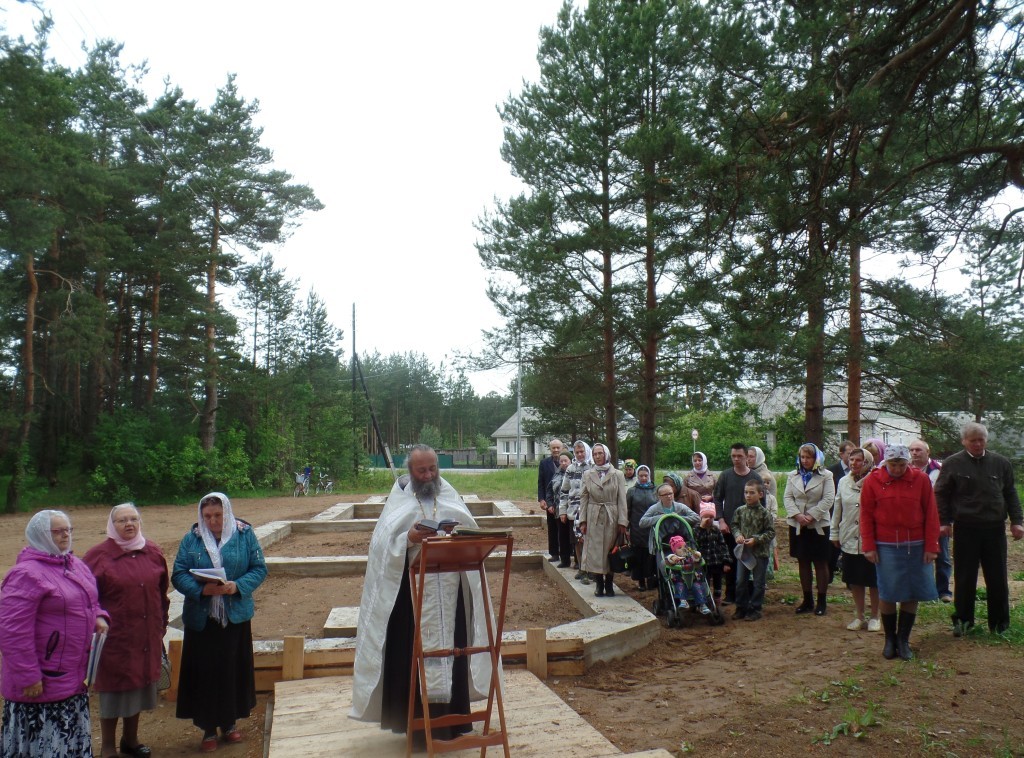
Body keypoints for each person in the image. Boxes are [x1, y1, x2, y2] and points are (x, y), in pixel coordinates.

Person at [351, 445, 497, 742]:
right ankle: (416, 730)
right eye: (422, 470)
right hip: (411, 595)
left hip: (448, 591)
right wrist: (409, 537)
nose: (429, 475)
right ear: (410, 470)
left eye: (432, 469)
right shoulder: (399, 499)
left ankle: (452, 724)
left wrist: (456, 537)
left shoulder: (449, 495)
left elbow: (470, 532)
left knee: (451, 650)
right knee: (410, 653)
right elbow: (381, 547)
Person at [0, 510, 109, 757]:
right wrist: (28, 676)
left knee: (69, 741)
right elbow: (12, 630)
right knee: (44, 746)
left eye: (68, 529)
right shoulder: (25, 573)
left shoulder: (75, 564)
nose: (65, 535)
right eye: (57, 531)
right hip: (41, 682)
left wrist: (99, 616)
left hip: (73, 674)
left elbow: (89, 602)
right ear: (40, 535)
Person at [172, 492, 267, 752]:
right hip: (202, 619)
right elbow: (178, 574)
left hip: (234, 615)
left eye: (217, 515)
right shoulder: (192, 539)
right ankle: (207, 729)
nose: (212, 521)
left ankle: (230, 723)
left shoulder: (244, 534)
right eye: (207, 516)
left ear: (226, 512)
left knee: (231, 669)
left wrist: (237, 586)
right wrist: (202, 590)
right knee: (205, 672)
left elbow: (259, 568)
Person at [84, 504, 170, 758]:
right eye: (122, 520)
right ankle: (108, 745)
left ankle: (130, 740)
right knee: (113, 690)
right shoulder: (98, 557)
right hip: (115, 638)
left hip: (146, 634)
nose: (129, 524)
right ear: (112, 525)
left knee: (139, 686)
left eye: (133, 519)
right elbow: (86, 597)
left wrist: (161, 625)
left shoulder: (152, 551)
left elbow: (161, 591)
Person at [934, 422, 1024, 636]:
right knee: (965, 577)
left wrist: (1017, 521)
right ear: (964, 441)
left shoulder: (1001, 463)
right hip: (966, 528)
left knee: (998, 577)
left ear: (986, 440)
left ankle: (999, 624)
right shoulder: (953, 463)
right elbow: (941, 494)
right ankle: (963, 622)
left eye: (980, 439)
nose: (977, 443)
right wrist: (944, 521)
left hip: (994, 528)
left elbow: (1010, 493)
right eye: (972, 440)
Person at [861, 444, 939, 660]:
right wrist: (869, 545)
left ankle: (904, 639)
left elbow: (931, 513)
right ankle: (890, 639)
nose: (897, 469)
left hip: (915, 544)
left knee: (911, 591)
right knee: (888, 591)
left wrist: (932, 546)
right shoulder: (873, 481)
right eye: (893, 465)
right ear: (886, 463)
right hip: (885, 545)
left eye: (902, 465)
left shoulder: (921, 480)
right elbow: (866, 515)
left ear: (908, 463)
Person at [829, 448, 880, 632]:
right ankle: (859, 615)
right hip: (849, 536)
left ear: (867, 461)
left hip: (871, 538)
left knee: (873, 579)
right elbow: (837, 508)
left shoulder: (876, 479)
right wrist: (834, 533)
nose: (854, 463)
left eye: (859, 460)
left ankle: (875, 616)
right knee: (855, 579)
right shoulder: (843, 481)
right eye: (852, 459)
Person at [784, 442, 835, 615]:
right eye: (802, 457)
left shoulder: (826, 475)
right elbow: (788, 498)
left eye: (809, 457)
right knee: (803, 561)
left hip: (818, 524)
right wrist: (797, 515)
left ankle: (822, 601)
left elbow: (828, 499)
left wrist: (812, 515)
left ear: (816, 458)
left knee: (820, 562)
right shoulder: (793, 475)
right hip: (798, 524)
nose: (805, 460)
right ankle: (807, 600)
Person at [712, 443, 763, 604]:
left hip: (750, 528)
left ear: (747, 456)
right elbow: (717, 498)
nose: (736, 459)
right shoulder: (726, 476)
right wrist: (720, 519)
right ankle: (730, 594)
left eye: (739, 456)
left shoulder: (755, 478)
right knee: (730, 560)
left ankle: (748, 595)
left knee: (749, 560)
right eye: (733, 456)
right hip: (729, 526)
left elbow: (764, 504)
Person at [579, 442, 629, 597]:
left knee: (610, 550)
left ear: (606, 454)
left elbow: (622, 499)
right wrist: (583, 520)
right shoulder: (588, 474)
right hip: (593, 515)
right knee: (595, 551)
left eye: (600, 453)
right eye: (594, 454)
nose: (597, 456)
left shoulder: (617, 474)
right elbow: (584, 498)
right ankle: (599, 584)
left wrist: (622, 521)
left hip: (611, 515)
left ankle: (609, 584)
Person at [909, 439, 950, 603]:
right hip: (915, 521)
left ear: (928, 452)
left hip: (938, 519)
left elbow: (949, 496)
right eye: (911, 450)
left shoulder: (940, 470)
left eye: (918, 450)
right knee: (917, 555)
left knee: (942, 555)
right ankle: (920, 590)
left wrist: (948, 520)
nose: (914, 453)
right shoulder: (906, 471)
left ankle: (943, 591)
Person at [731, 481, 775, 622]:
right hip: (743, 553)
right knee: (740, 581)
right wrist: (737, 535)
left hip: (759, 553)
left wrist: (756, 540)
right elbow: (734, 525)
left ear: (760, 494)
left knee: (758, 582)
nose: (748, 495)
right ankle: (741, 607)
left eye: (752, 492)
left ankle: (755, 608)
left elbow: (770, 532)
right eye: (746, 492)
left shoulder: (765, 513)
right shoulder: (740, 510)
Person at [559, 440, 593, 584]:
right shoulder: (570, 469)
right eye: (577, 452)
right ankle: (581, 567)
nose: (579, 454)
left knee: (589, 541)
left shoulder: (593, 467)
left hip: (590, 510)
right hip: (574, 510)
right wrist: (563, 510)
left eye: (582, 452)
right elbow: (565, 490)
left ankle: (591, 569)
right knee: (577, 540)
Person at [626, 464, 659, 590]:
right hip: (637, 527)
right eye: (641, 476)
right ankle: (640, 581)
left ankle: (651, 578)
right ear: (637, 476)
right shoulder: (632, 491)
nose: (644, 478)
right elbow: (628, 510)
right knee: (638, 554)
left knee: (650, 554)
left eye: (646, 476)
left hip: (651, 527)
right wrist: (628, 527)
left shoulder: (655, 490)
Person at [692, 501, 728, 604]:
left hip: (716, 561)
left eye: (711, 517)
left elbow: (723, 545)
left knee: (717, 582)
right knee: (704, 581)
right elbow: (694, 543)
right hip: (703, 562)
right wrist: (701, 528)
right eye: (706, 517)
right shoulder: (696, 530)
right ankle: (705, 599)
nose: (708, 520)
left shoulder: (716, 530)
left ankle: (717, 598)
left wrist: (726, 561)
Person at [665, 535, 711, 615]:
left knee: (698, 587)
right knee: (680, 586)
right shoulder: (675, 557)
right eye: (679, 548)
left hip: (694, 579)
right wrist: (673, 558)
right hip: (681, 580)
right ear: (674, 551)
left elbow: (698, 558)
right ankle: (683, 601)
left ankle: (702, 605)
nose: (683, 549)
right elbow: (668, 560)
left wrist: (696, 555)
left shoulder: (690, 556)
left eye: (684, 546)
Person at [537, 438, 565, 564]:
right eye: (553, 448)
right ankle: (554, 553)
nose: (556, 450)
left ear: (562, 448)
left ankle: (566, 554)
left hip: (564, 501)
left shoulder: (566, 462)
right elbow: (541, 482)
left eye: (558, 447)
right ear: (550, 449)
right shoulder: (544, 463)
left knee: (564, 528)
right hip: (550, 501)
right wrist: (542, 499)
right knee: (552, 527)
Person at [548, 451, 573, 568]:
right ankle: (565, 560)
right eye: (561, 461)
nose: (563, 463)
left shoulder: (575, 473)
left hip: (573, 510)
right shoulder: (556, 474)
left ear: (570, 461)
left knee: (573, 537)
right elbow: (549, 490)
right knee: (562, 536)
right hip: (559, 510)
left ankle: (577, 561)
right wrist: (550, 504)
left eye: (565, 461)